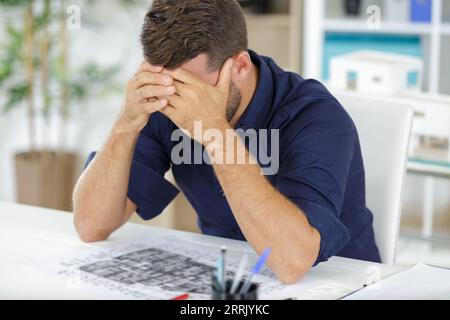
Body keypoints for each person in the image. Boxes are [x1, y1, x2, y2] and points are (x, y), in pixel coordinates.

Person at [73, 0, 381, 284]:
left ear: (240, 67)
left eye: (189, 86)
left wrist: (215, 134)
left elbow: (291, 263)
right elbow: (90, 226)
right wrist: (126, 123)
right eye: (164, 81)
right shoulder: (164, 100)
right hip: (231, 276)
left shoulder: (314, 115)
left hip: (338, 282)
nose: (175, 97)